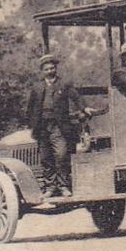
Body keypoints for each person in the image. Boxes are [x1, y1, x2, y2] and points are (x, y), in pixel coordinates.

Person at [27, 53, 85, 196]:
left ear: (56, 69)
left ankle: (63, 186)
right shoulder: (37, 87)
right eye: (46, 69)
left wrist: (84, 108)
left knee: (61, 155)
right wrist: (32, 123)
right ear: (42, 71)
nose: (50, 71)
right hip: (42, 127)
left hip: (59, 126)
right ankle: (50, 188)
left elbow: (76, 97)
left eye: (52, 68)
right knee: (46, 158)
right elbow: (30, 107)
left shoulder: (64, 84)